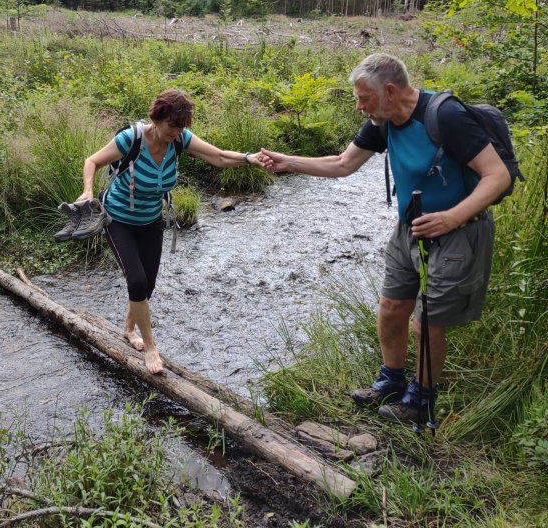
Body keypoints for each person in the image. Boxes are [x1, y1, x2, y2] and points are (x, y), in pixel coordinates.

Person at [258, 54, 510, 424]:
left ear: (390, 90)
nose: (360, 107)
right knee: (392, 307)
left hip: (458, 232)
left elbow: (497, 175)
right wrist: (288, 162)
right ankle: (391, 380)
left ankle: (421, 401)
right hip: (409, 229)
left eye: (364, 98)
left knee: (427, 322)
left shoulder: (446, 117)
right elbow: (343, 164)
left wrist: (451, 217)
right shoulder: (383, 120)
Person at [77, 88, 263, 374]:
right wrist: (88, 191)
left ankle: (128, 328)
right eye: (171, 125)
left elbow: (220, 157)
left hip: (152, 220)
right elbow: (92, 161)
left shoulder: (180, 140)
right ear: (156, 118)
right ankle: (151, 347)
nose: (176, 132)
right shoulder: (131, 139)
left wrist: (250, 158)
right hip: (119, 220)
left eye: (181, 126)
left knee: (147, 286)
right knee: (137, 282)